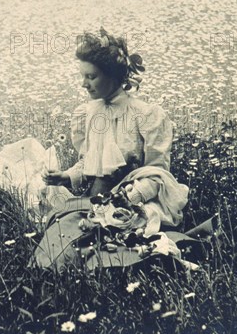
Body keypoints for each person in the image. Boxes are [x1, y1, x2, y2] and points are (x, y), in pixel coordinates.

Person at [41, 27, 189, 231]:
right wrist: (67, 176)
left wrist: (128, 198)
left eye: (91, 77)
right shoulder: (88, 113)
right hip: (96, 199)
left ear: (112, 76)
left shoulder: (146, 115)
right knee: (62, 226)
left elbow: (158, 175)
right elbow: (91, 161)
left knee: (116, 232)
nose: (84, 84)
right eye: (82, 76)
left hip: (134, 202)